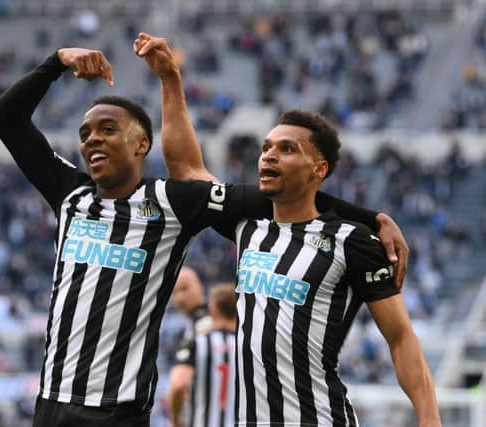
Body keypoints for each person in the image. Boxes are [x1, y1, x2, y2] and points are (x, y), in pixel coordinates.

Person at [0, 46, 407, 427]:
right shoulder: (69, 195)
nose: (92, 139)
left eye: (108, 129)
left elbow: (284, 195)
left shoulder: (173, 201)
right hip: (50, 402)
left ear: (141, 144)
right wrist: (56, 62)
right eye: (84, 134)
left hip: (117, 410)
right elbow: (4, 117)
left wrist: (372, 219)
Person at [136, 33, 441, 426]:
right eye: (266, 147)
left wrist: (430, 419)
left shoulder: (351, 242)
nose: (268, 156)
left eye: (287, 149)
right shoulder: (248, 226)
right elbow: (188, 172)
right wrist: (170, 81)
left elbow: (401, 340)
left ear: (319, 170)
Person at [169, 284, 237, 427]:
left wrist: (175, 420)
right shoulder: (247, 347)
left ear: (212, 311)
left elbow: (178, 384)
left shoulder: (197, 343)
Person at [172, 266, 212, 341]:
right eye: (174, 293)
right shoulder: (184, 331)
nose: (179, 298)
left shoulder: (217, 321)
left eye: (184, 288)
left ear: (200, 286)